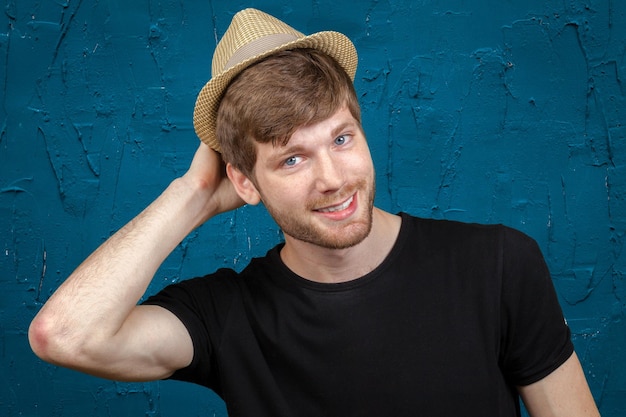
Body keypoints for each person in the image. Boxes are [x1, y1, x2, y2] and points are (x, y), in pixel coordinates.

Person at [29, 8, 601, 417]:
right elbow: (64, 336)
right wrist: (192, 192)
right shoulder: (227, 315)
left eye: (343, 138)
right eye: (293, 158)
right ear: (244, 182)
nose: (333, 179)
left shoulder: (498, 264)